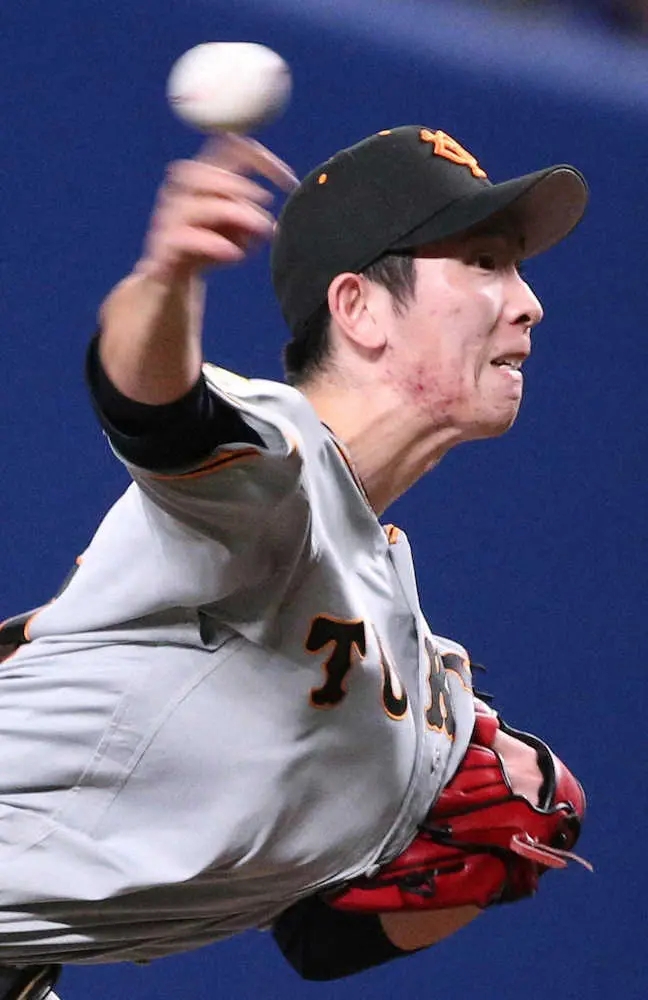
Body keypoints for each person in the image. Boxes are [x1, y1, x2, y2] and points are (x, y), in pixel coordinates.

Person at [0, 125, 588, 996]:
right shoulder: (284, 471)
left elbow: (320, 938)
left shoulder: (411, 664)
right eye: (484, 262)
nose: (528, 302)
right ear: (360, 308)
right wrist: (165, 281)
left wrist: (482, 842)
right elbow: (155, 410)